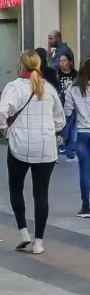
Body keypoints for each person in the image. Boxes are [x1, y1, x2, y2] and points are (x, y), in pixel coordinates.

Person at [0, 50, 65, 254]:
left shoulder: (14, 87)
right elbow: (60, 119)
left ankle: (23, 232)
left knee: (16, 188)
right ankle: (39, 242)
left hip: (20, 146)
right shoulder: (48, 88)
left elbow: (2, 112)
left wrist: (3, 127)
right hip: (45, 148)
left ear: (21, 66)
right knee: (41, 194)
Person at [64, 58, 90, 217]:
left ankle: (86, 206)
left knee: (85, 170)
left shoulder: (73, 89)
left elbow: (67, 112)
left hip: (82, 133)